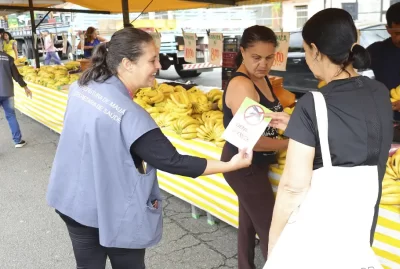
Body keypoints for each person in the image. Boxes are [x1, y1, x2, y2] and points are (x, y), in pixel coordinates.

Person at [46, 27, 252, 269]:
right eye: (152, 60)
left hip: (70, 200)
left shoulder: (81, 86)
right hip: (110, 210)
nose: (159, 66)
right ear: (127, 64)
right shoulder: (131, 115)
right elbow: (172, 161)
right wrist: (230, 165)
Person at [265, 8, 393, 262]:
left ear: (314, 50)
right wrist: (299, 126)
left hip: (320, 236)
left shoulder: (312, 104)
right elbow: (355, 135)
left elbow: (292, 188)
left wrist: (273, 246)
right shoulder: (380, 92)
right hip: (361, 224)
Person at [220, 25, 288, 269]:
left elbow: (272, 113)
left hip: (254, 165)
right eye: (256, 57)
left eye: (269, 57)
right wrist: (289, 144)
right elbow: (253, 141)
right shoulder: (242, 85)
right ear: (242, 51)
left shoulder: (261, 78)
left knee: (249, 224)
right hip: (244, 167)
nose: (264, 64)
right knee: (271, 231)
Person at [0, 49, 32, 148]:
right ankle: (18, 141)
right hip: (7, 92)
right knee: (11, 116)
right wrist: (25, 87)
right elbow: (16, 76)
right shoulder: (8, 58)